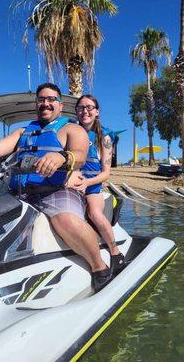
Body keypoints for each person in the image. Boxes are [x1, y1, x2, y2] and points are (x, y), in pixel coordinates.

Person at [0, 83, 112, 292]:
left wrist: (61, 157)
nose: (45, 103)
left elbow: (79, 155)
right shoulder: (23, 132)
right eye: (41, 99)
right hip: (19, 193)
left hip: (55, 191)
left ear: (60, 105)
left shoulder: (72, 129)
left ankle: (99, 267)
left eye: (51, 99)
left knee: (66, 221)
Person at [68, 94, 125, 276]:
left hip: (92, 185)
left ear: (97, 112)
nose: (85, 111)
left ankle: (115, 253)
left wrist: (87, 183)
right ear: (76, 111)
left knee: (94, 212)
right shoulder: (70, 131)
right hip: (72, 181)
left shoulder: (105, 137)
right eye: (81, 107)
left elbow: (106, 173)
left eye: (89, 107)